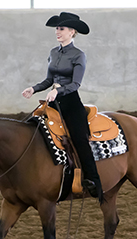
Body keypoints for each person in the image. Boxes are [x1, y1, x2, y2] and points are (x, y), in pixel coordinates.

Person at [22, 12, 103, 202]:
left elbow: (75, 84)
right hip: (54, 101)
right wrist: (33, 89)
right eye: (57, 28)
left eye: (61, 28)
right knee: (30, 127)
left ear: (72, 32)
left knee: (79, 138)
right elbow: (49, 80)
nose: (57, 32)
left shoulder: (78, 55)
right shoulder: (53, 52)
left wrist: (57, 91)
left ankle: (94, 181)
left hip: (71, 102)